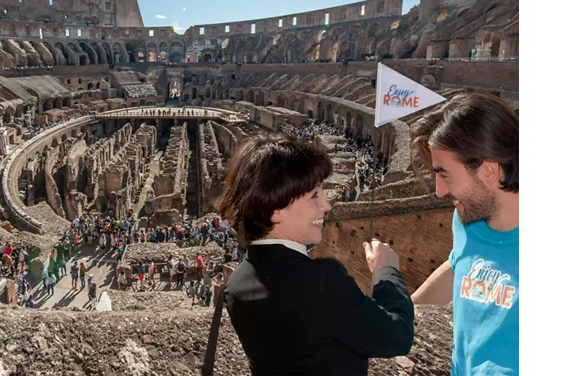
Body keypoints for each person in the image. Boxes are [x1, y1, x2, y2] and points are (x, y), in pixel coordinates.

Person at [219, 134, 413, 375]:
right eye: (314, 195)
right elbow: (398, 337)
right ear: (275, 210)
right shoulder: (321, 280)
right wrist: (386, 272)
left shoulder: (236, 283)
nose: (327, 205)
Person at [409, 93, 519, 374]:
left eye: (445, 175)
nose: (439, 191)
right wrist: (401, 312)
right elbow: (460, 266)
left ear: (488, 171)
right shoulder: (468, 220)